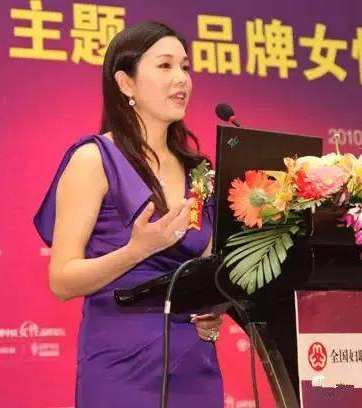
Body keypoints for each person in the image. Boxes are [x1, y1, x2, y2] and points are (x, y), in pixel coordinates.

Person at [33, 21, 224, 407]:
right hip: (121, 364)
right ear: (125, 83)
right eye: (165, 66)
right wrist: (136, 251)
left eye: (185, 67)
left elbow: (207, 265)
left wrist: (214, 308)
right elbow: (62, 280)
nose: (181, 78)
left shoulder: (199, 171)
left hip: (193, 361)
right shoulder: (94, 159)